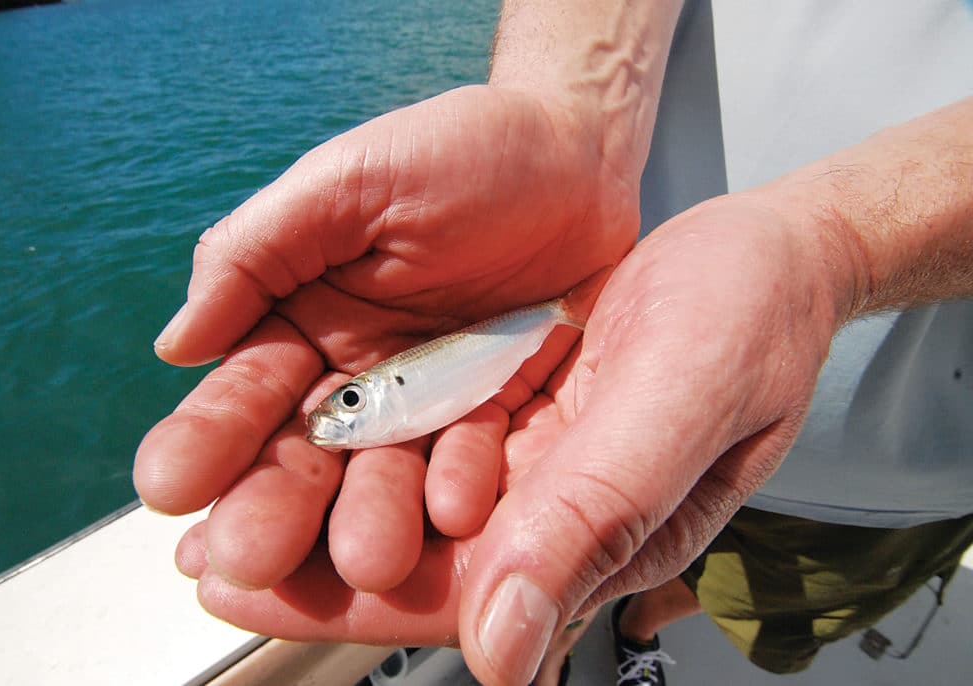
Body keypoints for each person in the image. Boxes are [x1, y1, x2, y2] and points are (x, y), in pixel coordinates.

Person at [134, 2, 973, 685]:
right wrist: (573, 110)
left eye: (350, 400)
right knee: (560, 559)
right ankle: (576, 630)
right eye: (350, 400)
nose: (346, 405)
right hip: (604, 358)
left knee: (763, 610)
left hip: (892, 469)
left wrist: (839, 248)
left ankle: (629, 628)